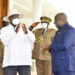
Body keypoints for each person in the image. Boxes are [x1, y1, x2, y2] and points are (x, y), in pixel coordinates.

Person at [0, 9, 35, 75]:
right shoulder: (4, 30)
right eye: (14, 16)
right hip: (10, 62)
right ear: (9, 19)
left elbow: (32, 40)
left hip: (24, 62)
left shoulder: (25, 29)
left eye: (17, 17)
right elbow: (5, 41)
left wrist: (26, 32)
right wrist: (15, 32)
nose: (16, 18)